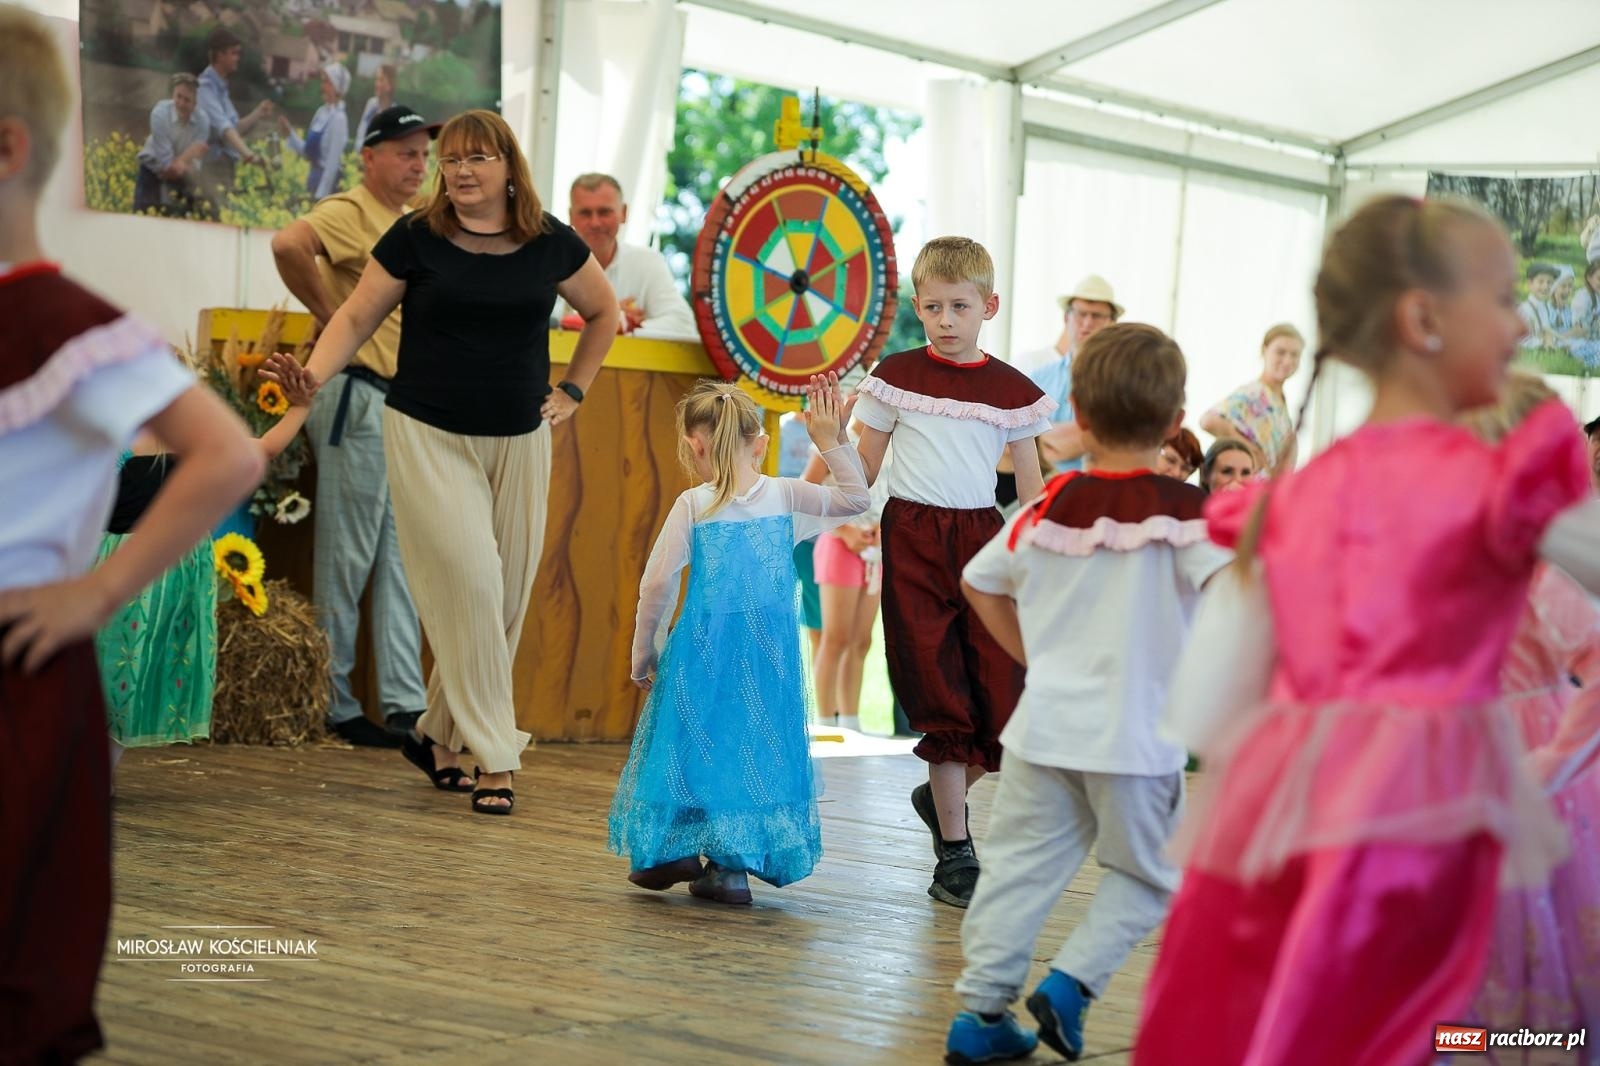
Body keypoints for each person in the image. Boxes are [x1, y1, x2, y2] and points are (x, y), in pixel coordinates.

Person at [1134, 195, 1600, 1066]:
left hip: (1282, 805)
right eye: (1502, 299)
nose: (1519, 322)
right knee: (1379, 1025)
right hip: (1409, 822)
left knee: (1276, 1002)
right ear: (1424, 318)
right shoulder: (1496, 486)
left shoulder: (1295, 498)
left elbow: (1223, 698)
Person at [0, 9, 265, 1059]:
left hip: (22, 670)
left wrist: (94, 593)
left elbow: (228, 455)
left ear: (7, 146)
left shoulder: (68, 326)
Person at [261, 109, 618, 814]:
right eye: (451, 159)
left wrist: (575, 389)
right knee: (476, 584)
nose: (459, 171)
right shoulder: (415, 237)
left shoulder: (551, 242)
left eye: (477, 158)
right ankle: (495, 755)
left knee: (505, 599)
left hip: (520, 437)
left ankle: (436, 735)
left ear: (509, 167)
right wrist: (314, 375)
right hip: (427, 432)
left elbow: (604, 312)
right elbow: (356, 317)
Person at [945, 324, 1230, 1064]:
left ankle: (979, 1016)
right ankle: (1071, 983)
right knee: (1148, 876)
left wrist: (1033, 657)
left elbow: (979, 582)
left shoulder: (1047, 508)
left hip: (1043, 732)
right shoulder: (1194, 517)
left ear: (1084, 419)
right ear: (1176, 423)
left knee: (1016, 872)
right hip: (1137, 739)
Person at [609, 375, 868, 904]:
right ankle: (729, 867)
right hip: (768, 659)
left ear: (694, 446)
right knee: (752, 749)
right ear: (762, 443)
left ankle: (673, 846)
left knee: (687, 744)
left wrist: (645, 652)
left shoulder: (693, 503)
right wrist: (830, 439)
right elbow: (855, 498)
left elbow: (657, 583)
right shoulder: (785, 495)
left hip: (701, 651)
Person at [854, 236, 1055, 908]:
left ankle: (939, 797)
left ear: (988, 306)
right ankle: (956, 852)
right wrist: (821, 495)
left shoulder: (1012, 392)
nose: (945, 319)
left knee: (1004, 689)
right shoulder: (896, 376)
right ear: (917, 305)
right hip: (911, 538)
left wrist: (1049, 556)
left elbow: (1030, 489)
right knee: (938, 689)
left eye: (959, 306)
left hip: (980, 540)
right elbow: (864, 465)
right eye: (933, 306)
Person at [270, 104, 438, 748]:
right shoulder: (352, 210)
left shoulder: (413, 222)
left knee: (402, 559)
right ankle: (334, 701)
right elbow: (289, 244)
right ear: (368, 156)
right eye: (404, 151)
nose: (418, 163)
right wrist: (335, 317)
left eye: (424, 153)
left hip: (400, 404)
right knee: (347, 555)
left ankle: (402, 703)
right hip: (357, 395)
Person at [1462, 373, 1600, 1056]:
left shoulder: (1550, 562)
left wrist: (1549, 763)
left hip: (1529, 760)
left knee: (1531, 942)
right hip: (1461, 760)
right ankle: (1464, 1043)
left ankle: (1507, 1043)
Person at [97, 365, 315, 774]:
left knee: (121, 664)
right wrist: (300, 408)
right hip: (165, 563)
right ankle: (97, 764)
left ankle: (98, 766)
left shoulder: (149, 444)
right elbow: (267, 447)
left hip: (146, 564)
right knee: (128, 664)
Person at [555, 173, 696, 336]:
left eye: (604, 212)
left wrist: (624, 324)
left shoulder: (646, 263)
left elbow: (683, 324)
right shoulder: (549, 264)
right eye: (585, 213)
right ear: (570, 216)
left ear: (624, 213)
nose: (595, 222)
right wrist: (612, 318)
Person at [1199, 323, 1304, 474]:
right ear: (1264, 350)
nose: (1287, 361)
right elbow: (1208, 421)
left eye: (1294, 354)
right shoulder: (1255, 393)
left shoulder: (1279, 399)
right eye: (1280, 352)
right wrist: (1251, 451)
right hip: (1252, 488)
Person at [195, 26, 272, 215]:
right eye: (234, 53)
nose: (238, 57)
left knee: (225, 214)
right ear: (220, 56)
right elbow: (224, 129)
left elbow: (235, 128)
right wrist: (249, 155)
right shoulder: (205, 88)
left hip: (226, 165)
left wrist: (258, 113)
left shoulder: (221, 87)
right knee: (217, 218)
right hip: (212, 166)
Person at [133, 73, 210, 217]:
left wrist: (181, 166)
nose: (180, 103)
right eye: (178, 97)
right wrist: (191, 153)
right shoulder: (160, 114)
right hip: (151, 173)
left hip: (182, 178)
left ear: (195, 103)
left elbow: (194, 171)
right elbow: (167, 169)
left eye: (187, 100)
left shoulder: (203, 122)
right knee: (142, 220)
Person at [279, 62, 350, 202]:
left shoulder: (339, 119)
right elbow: (307, 152)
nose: (322, 86)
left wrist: (319, 198)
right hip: (312, 181)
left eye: (326, 82)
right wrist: (290, 133)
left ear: (337, 87)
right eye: (322, 82)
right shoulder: (321, 113)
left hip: (327, 189)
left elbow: (332, 165)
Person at [352, 63, 397, 155]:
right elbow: (361, 131)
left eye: (381, 80)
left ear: (390, 86)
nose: (376, 83)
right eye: (376, 79)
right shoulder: (371, 104)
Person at [1519, 261, 1560, 349]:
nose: (1545, 287)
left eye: (1549, 283)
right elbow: (1521, 339)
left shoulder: (1545, 307)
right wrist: (1542, 343)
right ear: (1530, 284)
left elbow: (1546, 329)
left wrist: (1553, 339)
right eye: (1540, 282)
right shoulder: (1525, 309)